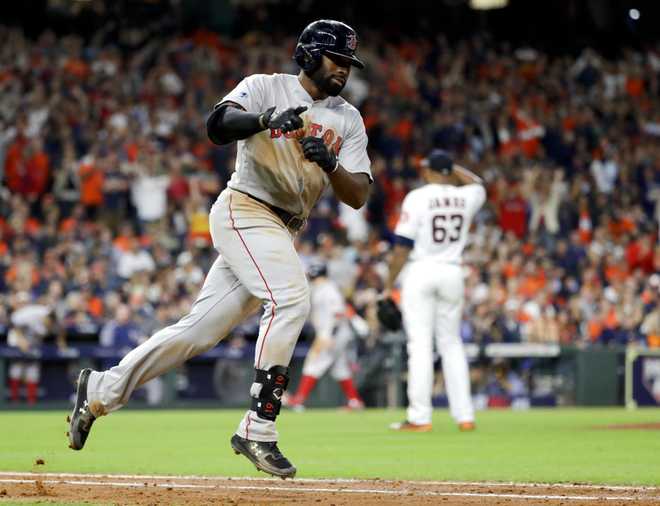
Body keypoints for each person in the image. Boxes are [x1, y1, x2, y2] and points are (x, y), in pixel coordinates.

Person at [67, 19, 371, 480]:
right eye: (337, 58)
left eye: (349, 62)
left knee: (196, 333)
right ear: (308, 54)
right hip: (245, 208)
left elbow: (358, 194)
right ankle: (259, 428)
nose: (344, 69)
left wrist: (330, 164)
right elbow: (217, 124)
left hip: (282, 228)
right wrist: (265, 119)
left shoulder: (348, 118)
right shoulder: (267, 87)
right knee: (290, 298)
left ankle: (100, 390)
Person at [382, 149, 485, 432]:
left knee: (420, 345)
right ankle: (464, 416)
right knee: (451, 343)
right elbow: (478, 183)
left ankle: (420, 417)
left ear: (428, 171)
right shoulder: (467, 196)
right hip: (453, 270)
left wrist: (389, 285)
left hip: (422, 270)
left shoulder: (418, 197)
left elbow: (402, 246)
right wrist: (453, 167)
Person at [284, 262, 365, 411]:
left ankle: (299, 400)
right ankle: (355, 401)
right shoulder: (321, 289)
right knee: (340, 368)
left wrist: (329, 336)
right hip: (332, 334)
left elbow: (338, 314)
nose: (315, 279)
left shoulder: (329, 290)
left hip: (333, 334)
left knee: (313, 364)